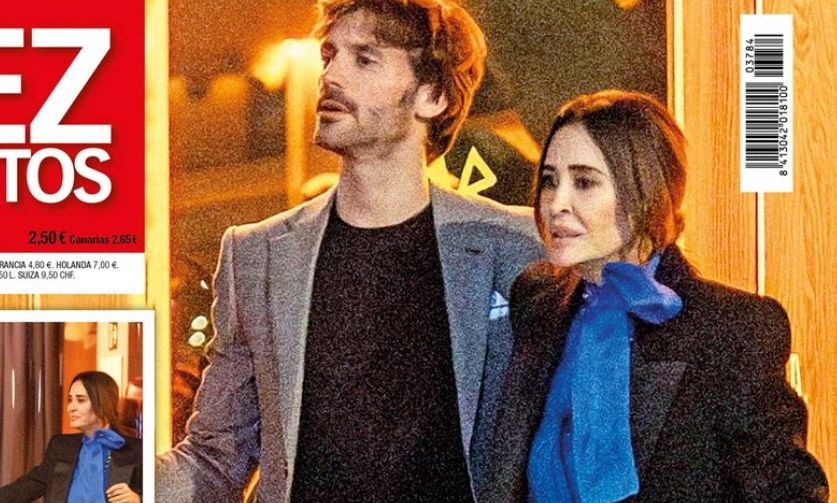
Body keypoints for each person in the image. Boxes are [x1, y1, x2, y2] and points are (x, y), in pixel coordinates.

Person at [156, 0, 543, 501]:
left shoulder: (514, 245)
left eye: (364, 58)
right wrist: (104, 474)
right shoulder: (258, 256)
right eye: (329, 55)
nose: (331, 76)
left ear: (433, 96)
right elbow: (215, 456)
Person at [487, 90, 829, 502]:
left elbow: (788, 492)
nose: (556, 203)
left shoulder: (733, 328)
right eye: (549, 181)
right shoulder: (537, 302)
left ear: (646, 192)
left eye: (584, 182)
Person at [0, 371, 142, 503]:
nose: (71, 408)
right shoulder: (61, 446)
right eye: (70, 400)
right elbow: (28, 485)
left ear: (103, 402)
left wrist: (139, 499)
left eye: (80, 400)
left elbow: (154, 493)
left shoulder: (136, 450)